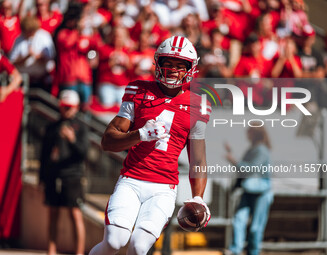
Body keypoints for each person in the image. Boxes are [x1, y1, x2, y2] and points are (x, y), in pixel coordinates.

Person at [89, 35, 211, 255]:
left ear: (190, 69)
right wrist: (140, 134)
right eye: (168, 64)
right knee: (115, 241)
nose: (173, 70)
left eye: (180, 65)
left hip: (164, 188)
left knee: (139, 246)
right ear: (158, 64)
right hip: (131, 180)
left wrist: (198, 196)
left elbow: (198, 158)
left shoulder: (198, 105)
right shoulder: (139, 90)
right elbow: (107, 141)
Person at [39, 90, 88, 255]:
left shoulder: (80, 127)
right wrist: (42, 177)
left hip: (73, 176)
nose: (66, 110)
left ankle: (79, 252)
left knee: (75, 214)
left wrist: (72, 140)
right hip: (54, 176)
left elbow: (84, 153)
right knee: (53, 214)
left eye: (70, 107)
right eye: (64, 107)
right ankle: (51, 251)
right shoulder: (52, 127)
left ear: (76, 107)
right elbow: (44, 154)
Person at [225, 124, 273, 255]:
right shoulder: (252, 149)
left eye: (249, 131)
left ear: (255, 132)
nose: (247, 134)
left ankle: (253, 252)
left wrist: (233, 160)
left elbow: (251, 169)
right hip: (248, 190)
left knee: (255, 228)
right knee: (238, 221)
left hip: (261, 193)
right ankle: (235, 250)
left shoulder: (262, 150)